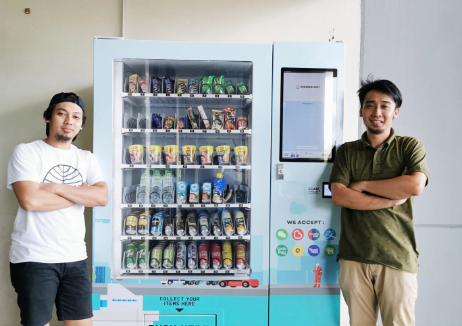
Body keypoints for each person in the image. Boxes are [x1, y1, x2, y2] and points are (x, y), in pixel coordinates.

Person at [329, 78, 429, 326]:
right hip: (354, 257)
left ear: (396, 112)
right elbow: (340, 196)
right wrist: (392, 198)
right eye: (370, 105)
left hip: (397, 257)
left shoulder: (409, 146)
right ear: (361, 111)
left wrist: (362, 186)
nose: (377, 112)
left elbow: (415, 186)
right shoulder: (347, 152)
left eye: (385, 105)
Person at [7, 92, 108, 326]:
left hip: (76, 258)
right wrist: (81, 195)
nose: (69, 121)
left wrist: (54, 187)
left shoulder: (86, 158)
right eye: (62, 114)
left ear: (81, 125)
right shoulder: (26, 152)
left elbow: (102, 197)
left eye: (76, 117)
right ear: (48, 118)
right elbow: (31, 201)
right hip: (34, 257)